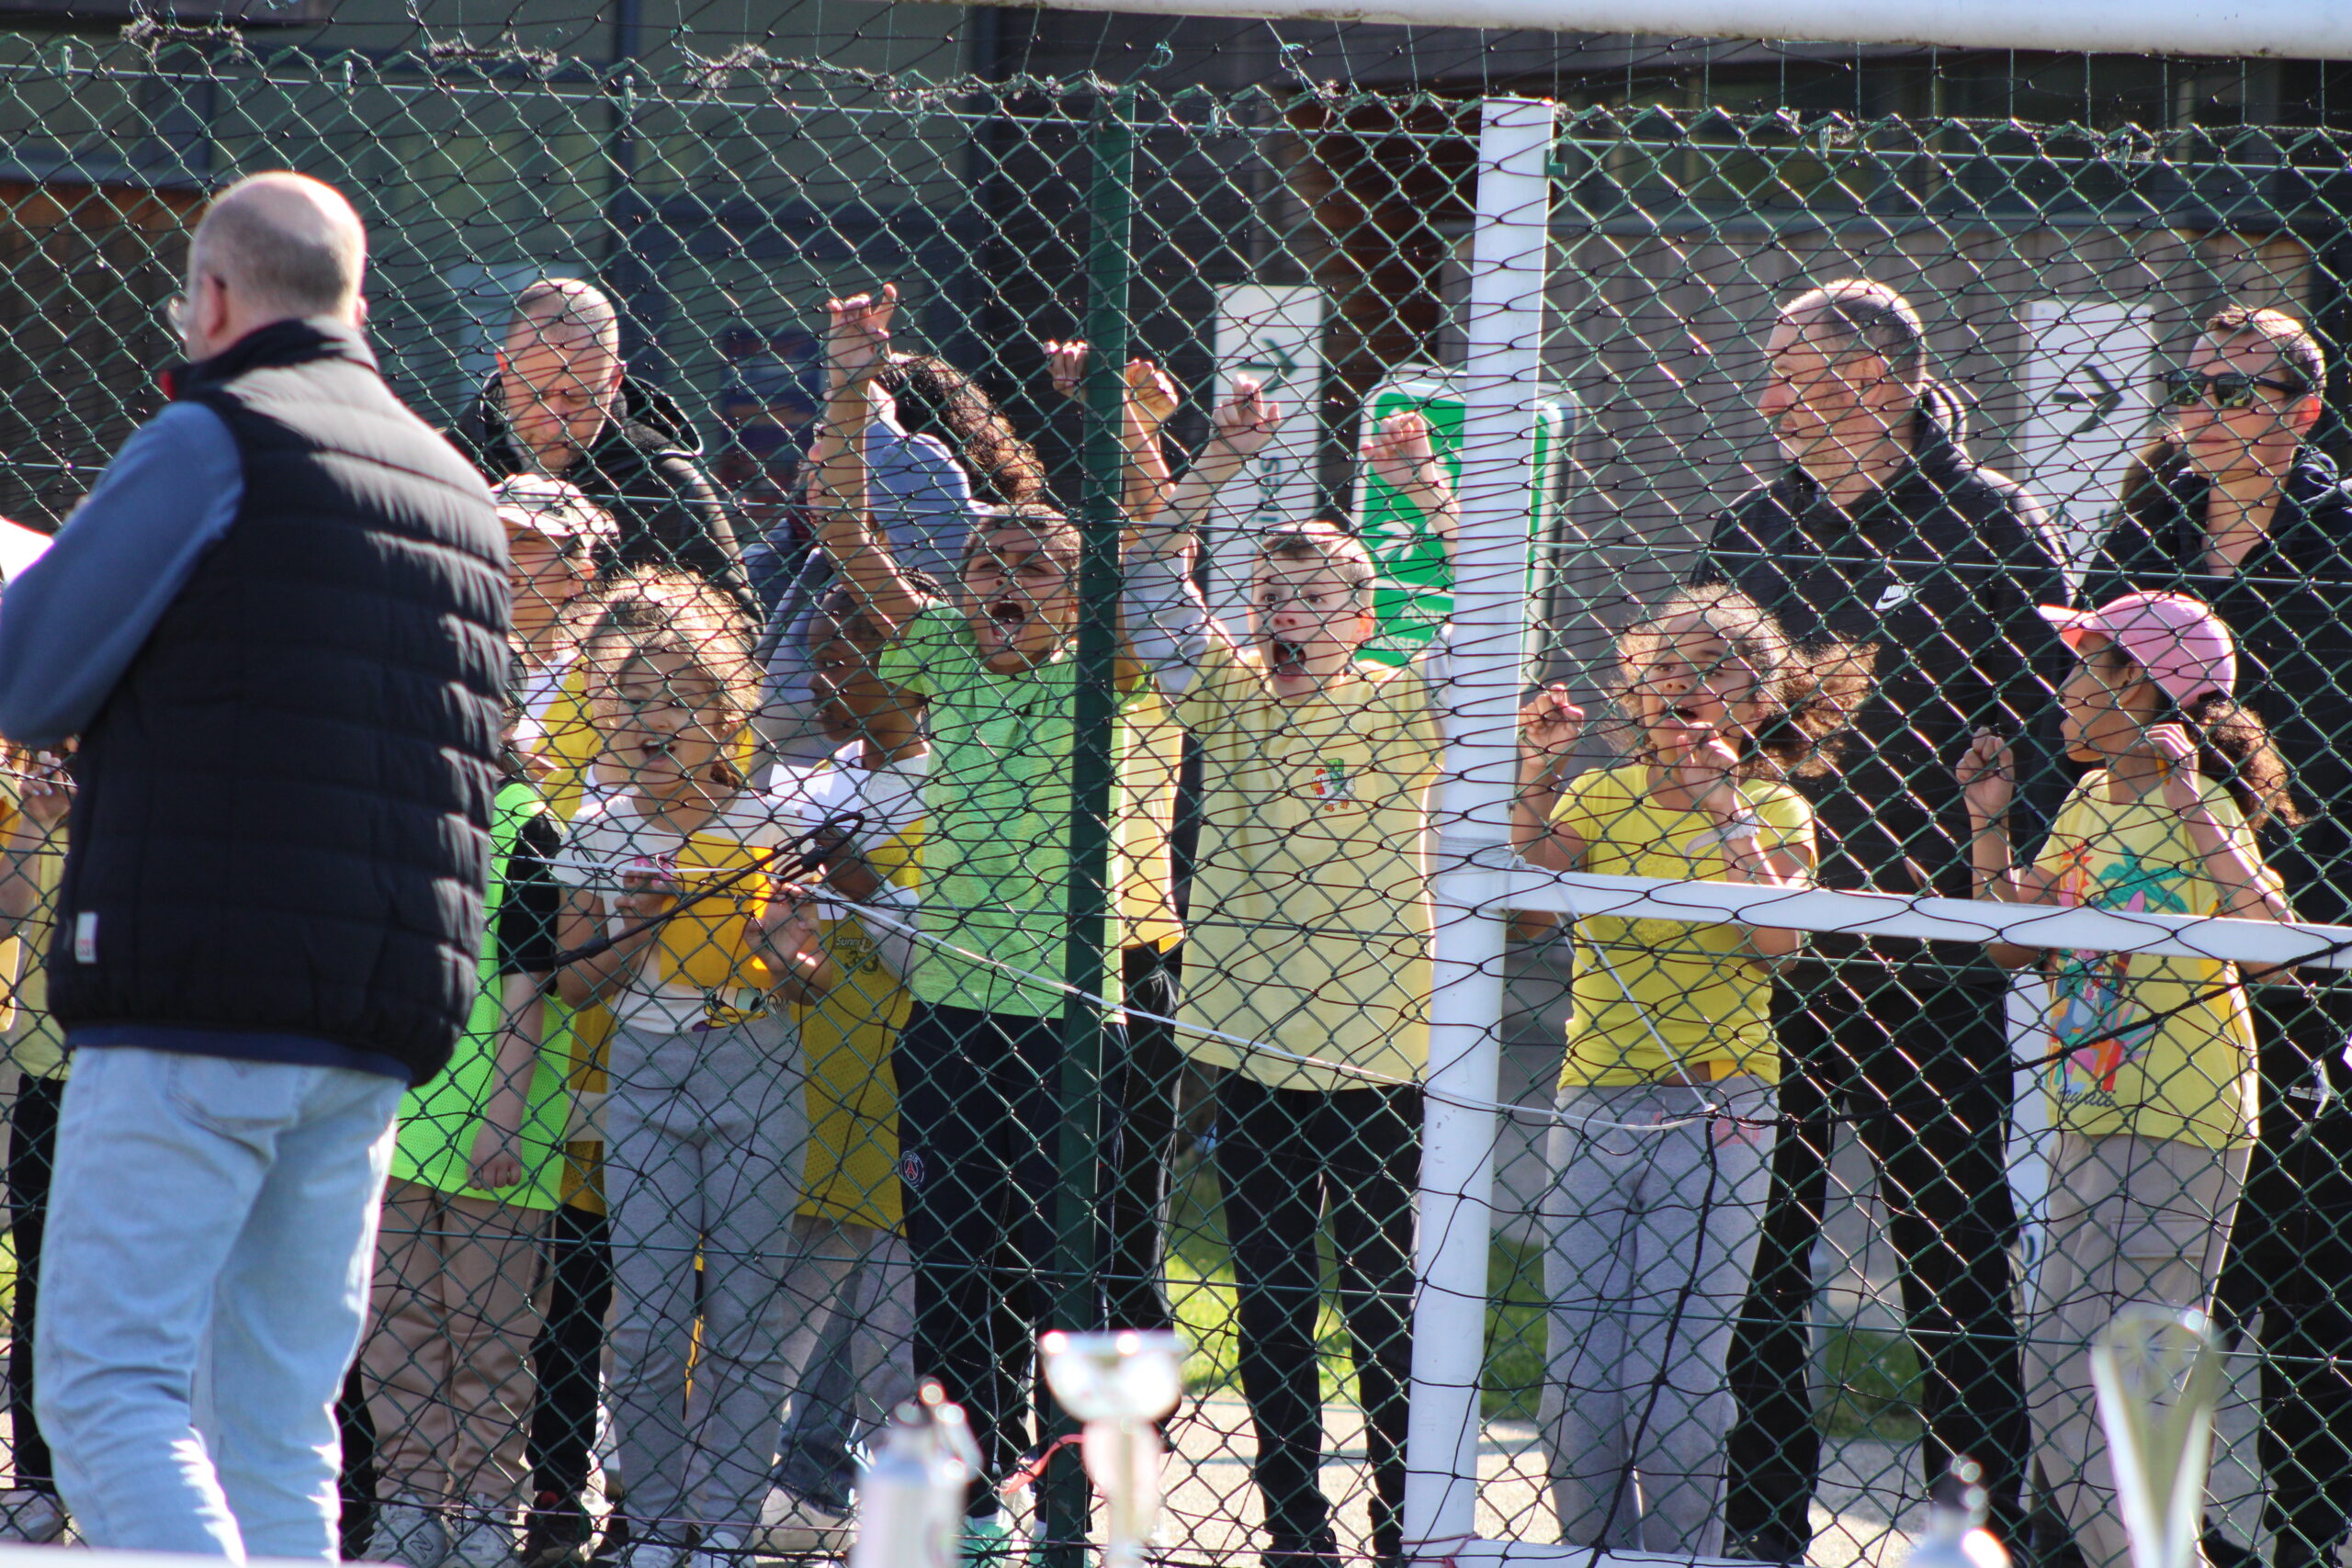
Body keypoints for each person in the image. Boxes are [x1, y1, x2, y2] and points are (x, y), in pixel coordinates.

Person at [0, 170, 508, 1562]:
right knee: (276, 1418)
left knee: (110, 1390)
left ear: (213, 298)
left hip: (197, 989)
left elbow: (29, 674)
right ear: (357, 298)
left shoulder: (211, 436)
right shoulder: (455, 482)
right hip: (379, 1003)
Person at [1692, 276, 2068, 1559]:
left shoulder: (1991, 522)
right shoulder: (1751, 529)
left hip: (1930, 955)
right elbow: (1689, 702)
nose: (1768, 398)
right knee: (1751, 1261)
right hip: (1768, 949)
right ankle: (1760, 1531)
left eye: (1792, 370)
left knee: (1954, 1264)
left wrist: (1998, 855)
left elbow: (2054, 725)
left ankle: (1975, 1528)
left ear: (1874, 383)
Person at [807, 287, 1172, 1551]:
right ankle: (969, 1514)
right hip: (958, 1015)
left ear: (1073, 596)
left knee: (1098, 1271)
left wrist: (1123, 426)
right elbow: (841, 528)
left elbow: (1149, 559)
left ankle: (1109, 1501)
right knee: (956, 1272)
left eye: (1033, 566)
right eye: (986, 563)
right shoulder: (949, 653)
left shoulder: (1108, 673)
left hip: (1087, 1020)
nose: (1004, 581)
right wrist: (852, 379)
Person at [1122, 380, 1449, 1568]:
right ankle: (1292, 1531)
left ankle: (1407, 1524)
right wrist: (1215, 462)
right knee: (1270, 1312)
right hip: (1245, 1049)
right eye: (1270, 594)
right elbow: (1153, 581)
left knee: (1382, 1308)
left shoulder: (1405, 703)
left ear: (1364, 615)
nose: (1287, 613)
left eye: (1314, 595)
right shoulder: (1229, 696)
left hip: (1377, 1055)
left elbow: (1500, 619)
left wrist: (1425, 492)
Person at [1511, 586, 1871, 1554]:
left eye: (1714, 670)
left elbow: (1778, 937)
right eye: (1664, 665)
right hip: (1592, 1103)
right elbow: (1531, 908)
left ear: (1758, 702)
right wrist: (1539, 772)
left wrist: (1722, 810)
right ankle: (1597, 1551)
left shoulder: (1772, 804)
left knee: (1672, 1378)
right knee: (1579, 1380)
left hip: (1721, 1106)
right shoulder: (1600, 793)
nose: (1683, 684)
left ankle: (1681, 1554)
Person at [2081, 306, 2352, 1568]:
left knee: (2305, 1270)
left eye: (2239, 391)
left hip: (2305, 938)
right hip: (2151, 943)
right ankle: (2158, 1534)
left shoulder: (2341, 538)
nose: (2206, 408)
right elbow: (2075, 707)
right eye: (2194, 385)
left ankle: (2305, 1531)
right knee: (2157, 1277)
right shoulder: (2143, 533)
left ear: (2302, 411)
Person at [1959, 591, 2289, 1568]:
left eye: (2083, 668)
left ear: (2140, 688)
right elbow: (2013, 944)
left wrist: (2189, 795)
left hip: (2181, 1120)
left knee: (2111, 1373)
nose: (2059, 692)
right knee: (2062, 1369)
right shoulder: (2087, 799)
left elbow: (2271, 943)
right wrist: (1989, 823)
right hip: (2088, 1110)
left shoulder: (2204, 807)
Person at [550, 568, 831, 1568]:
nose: (649, 720)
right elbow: (575, 987)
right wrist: (630, 932)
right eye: (630, 702)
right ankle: (658, 1526)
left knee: (748, 1313)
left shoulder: (773, 829)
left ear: (727, 714)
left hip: (756, 1068)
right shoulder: (594, 833)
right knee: (649, 1315)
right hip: (643, 1073)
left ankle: (724, 1525)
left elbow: (807, 981)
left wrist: (783, 951)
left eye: (675, 699)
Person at [362, 746, 571, 1568]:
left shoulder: (522, 818)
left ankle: (486, 1504)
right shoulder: (386, 805)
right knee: (396, 1328)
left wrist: (505, 1111)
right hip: (396, 1117)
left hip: (494, 1123)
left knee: (492, 1333)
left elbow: (527, 976)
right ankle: (410, 1500)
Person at [756, 580, 932, 1552]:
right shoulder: (809, 785)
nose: (829, 674)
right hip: (807, 1087)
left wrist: (862, 886)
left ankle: (918, 1511)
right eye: (819, 650)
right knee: (794, 1306)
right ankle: (807, 1486)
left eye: (857, 650)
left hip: (911, 1091)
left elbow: (944, 958)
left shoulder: (958, 782)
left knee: (894, 1334)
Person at [452, 277, 749, 604]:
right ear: (505, 369)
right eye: (537, 395)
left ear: (614, 380)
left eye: (578, 399)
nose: (555, 424)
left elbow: (744, 632)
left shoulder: (666, 485)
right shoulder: (445, 469)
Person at [0, 746, 70, 1545]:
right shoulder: (36, 803)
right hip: (50, 1077)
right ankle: (40, 1482)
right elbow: (10, 910)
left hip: (137, 1076)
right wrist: (38, 823)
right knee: (43, 1281)